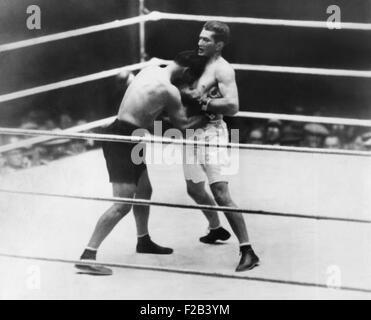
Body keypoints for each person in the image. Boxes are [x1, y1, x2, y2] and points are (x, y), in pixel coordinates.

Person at [75, 51, 209, 275]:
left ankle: (143, 240)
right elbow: (183, 128)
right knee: (122, 204)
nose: (187, 85)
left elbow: (152, 115)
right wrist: (208, 113)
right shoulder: (170, 91)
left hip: (130, 136)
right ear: (186, 72)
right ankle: (88, 255)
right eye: (189, 80)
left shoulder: (151, 69)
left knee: (145, 189)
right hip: (122, 140)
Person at [180, 21, 259, 271]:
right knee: (194, 189)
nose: (200, 42)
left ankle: (248, 250)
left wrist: (202, 104)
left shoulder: (223, 70)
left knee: (221, 194)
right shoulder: (199, 62)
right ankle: (216, 229)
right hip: (192, 132)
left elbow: (233, 106)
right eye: (200, 38)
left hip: (212, 134)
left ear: (219, 44)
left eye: (206, 40)